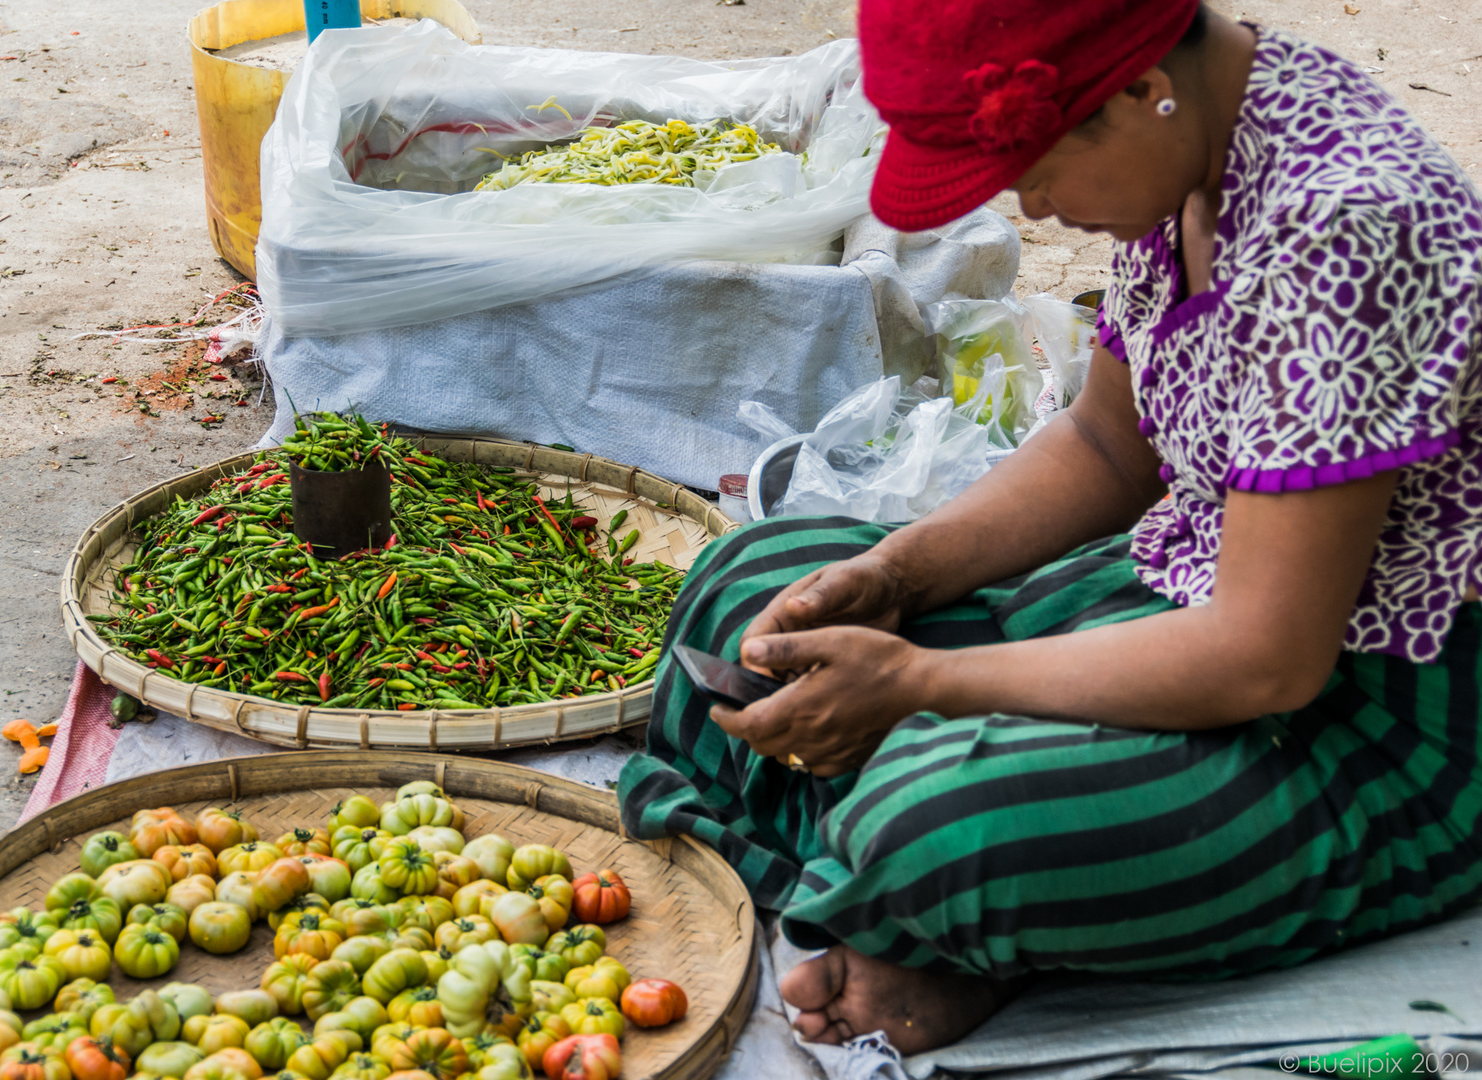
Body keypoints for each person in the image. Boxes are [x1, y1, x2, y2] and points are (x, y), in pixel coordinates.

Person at [616, 0, 1482, 1055]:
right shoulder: (1199, 137)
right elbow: (1110, 451)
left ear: (1133, 90)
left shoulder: (1346, 225)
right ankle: (910, 919)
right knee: (751, 583)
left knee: (933, 823)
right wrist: (896, 575)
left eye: (1036, 167)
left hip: (1370, 706)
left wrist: (921, 682)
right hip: (1186, 594)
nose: (1031, 206)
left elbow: (1267, 660)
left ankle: (911, 895)